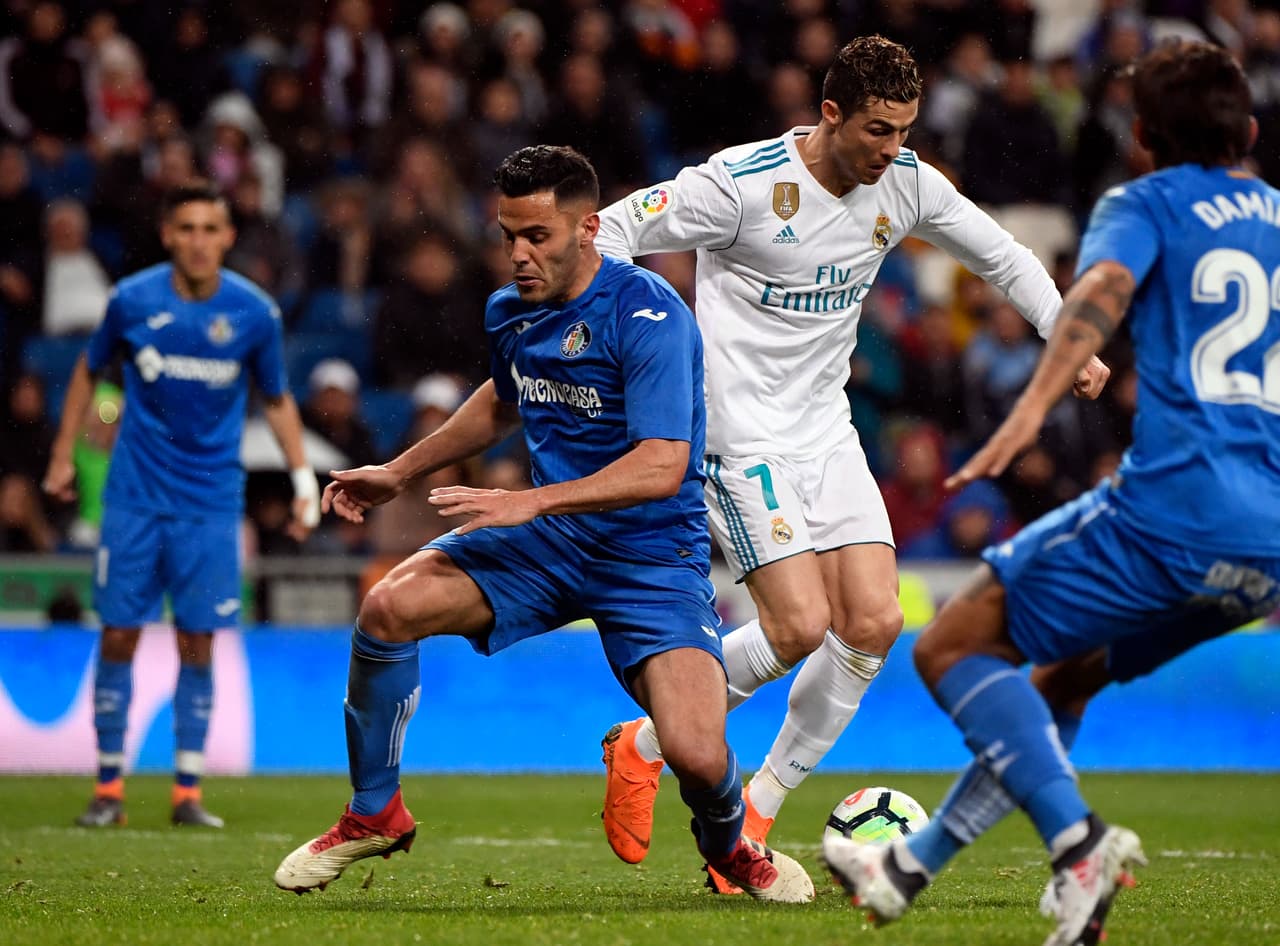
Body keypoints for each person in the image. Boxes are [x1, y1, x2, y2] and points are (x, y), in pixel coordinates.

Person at [592, 33, 1110, 891]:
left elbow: (1002, 255)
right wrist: (641, 338)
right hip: (737, 437)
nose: (892, 149)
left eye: (904, 130)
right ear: (829, 113)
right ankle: (648, 743)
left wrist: (1066, 334)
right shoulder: (739, 186)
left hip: (826, 431)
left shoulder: (904, 182)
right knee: (797, 626)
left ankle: (751, 809)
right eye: (877, 129)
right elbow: (611, 231)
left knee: (872, 623)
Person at [823, 40, 1280, 946]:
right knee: (1060, 679)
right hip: (1266, 546)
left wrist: (1030, 410)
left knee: (952, 646)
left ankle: (1079, 846)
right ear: (1253, 133)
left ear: (1141, 137)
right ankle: (906, 868)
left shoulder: (1144, 202)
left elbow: (1102, 286)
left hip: (1174, 511)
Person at [272, 145, 814, 904]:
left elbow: (662, 465)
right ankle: (374, 813)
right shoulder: (510, 309)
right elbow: (503, 398)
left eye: (537, 236)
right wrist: (399, 471)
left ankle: (729, 847)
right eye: (508, 236)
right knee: (389, 607)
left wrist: (531, 500)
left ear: (589, 228)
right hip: (549, 543)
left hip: (650, 554)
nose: (519, 255)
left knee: (695, 751)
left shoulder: (650, 314)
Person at [43, 180, 320, 829]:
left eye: (210, 229)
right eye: (187, 228)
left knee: (198, 638)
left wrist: (303, 479)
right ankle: (108, 788)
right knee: (119, 631)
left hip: (210, 505)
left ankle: (187, 792)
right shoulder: (131, 300)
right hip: (134, 499)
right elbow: (88, 369)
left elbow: (277, 398)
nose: (198, 241)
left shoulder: (253, 313)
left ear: (228, 237)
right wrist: (62, 454)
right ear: (168, 235)